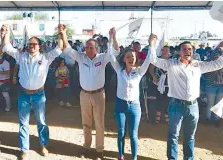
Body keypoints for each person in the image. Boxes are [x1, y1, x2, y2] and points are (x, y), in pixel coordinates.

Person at [150, 40, 223, 160]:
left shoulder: (198, 65)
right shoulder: (171, 64)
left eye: (189, 49)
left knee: (190, 137)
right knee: (173, 136)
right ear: (179, 52)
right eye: (184, 49)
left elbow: (219, 64)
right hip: (176, 105)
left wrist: (221, 48)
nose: (187, 51)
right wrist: (152, 44)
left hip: (193, 107)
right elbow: (153, 60)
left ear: (193, 51)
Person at [1, 24, 63, 160]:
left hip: (39, 95)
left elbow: (59, 48)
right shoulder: (21, 56)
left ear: (39, 46)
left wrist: (61, 33)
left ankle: (44, 145)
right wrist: (5, 33)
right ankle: (24, 149)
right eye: (30, 44)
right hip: (23, 94)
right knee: (24, 123)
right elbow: (6, 47)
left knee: (41, 121)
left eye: (34, 44)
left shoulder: (46, 58)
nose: (31, 46)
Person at [60, 25, 115, 160]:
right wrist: (63, 33)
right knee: (86, 123)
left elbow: (114, 53)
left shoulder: (102, 58)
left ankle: (99, 150)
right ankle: (86, 147)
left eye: (91, 47)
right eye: (86, 47)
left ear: (96, 48)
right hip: (84, 94)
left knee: (99, 123)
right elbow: (67, 49)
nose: (88, 49)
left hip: (98, 95)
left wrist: (112, 37)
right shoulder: (81, 57)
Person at [108, 29, 156, 160]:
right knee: (121, 132)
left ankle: (134, 158)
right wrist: (111, 38)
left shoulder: (139, 72)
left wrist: (151, 44)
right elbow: (110, 55)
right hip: (120, 105)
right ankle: (120, 156)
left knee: (134, 134)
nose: (131, 58)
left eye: (133, 57)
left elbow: (149, 59)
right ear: (123, 59)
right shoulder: (119, 70)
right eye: (128, 56)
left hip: (135, 106)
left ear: (135, 59)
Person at [149, 46, 170, 124]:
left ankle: (166, 116)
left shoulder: (172, 60)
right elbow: (151, 69)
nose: (165, 51)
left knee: (168, 101)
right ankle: (158, 117)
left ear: (169, 51)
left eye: (167, 50)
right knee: (159, 100)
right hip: (158, 83)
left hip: (169, 84)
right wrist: (154, 77)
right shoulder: (157, 59)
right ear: (161, 50)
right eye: (163, 50)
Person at [204, 52, 223, 127]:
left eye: (218, 56)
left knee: (218, 104)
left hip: (220, 87)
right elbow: (205, 75)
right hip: (211, 86)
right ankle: (208, 118)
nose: (217, 57)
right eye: (215, 56)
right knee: (210, 103)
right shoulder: (209, 65)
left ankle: (216, 119)